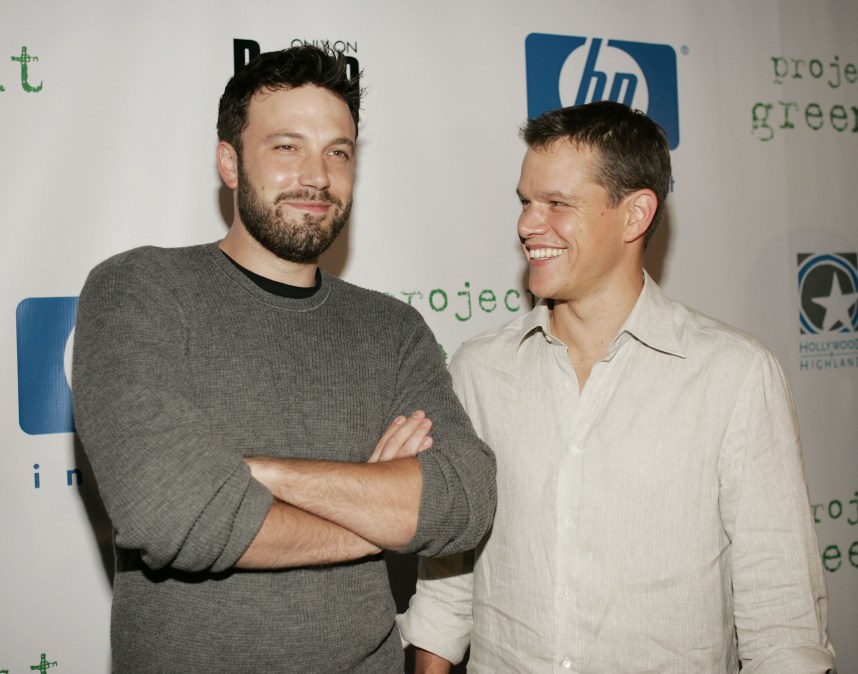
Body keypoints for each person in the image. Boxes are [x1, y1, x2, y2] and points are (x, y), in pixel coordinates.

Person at [72, 45, 496, 673]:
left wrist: (255, 473)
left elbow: (465, 503)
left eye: (338, 152)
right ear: (230, 163)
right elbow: (173, 514)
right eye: (286, 146)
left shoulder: (392, 328)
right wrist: (378, 509)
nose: (318, 176)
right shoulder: (140, 289)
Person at [398, 101, 836, 673]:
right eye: (526, 202)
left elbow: (781, 621)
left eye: (557, 204)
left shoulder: (734, 376)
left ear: (635, 216)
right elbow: (448, 589)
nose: (529, 224)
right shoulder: (480, 369)